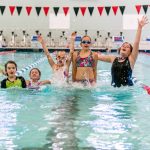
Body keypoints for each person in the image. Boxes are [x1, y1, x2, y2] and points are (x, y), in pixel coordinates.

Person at [98, 16, 148, 87]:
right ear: (120, 49)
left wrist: (139, 27)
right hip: (114, 91)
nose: (124, 46)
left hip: (127, 91)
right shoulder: (113, 59)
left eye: (127, 47)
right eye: (123, 45)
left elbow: (136, 43)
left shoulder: (131, 59)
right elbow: (97, 57)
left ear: (130, 52)